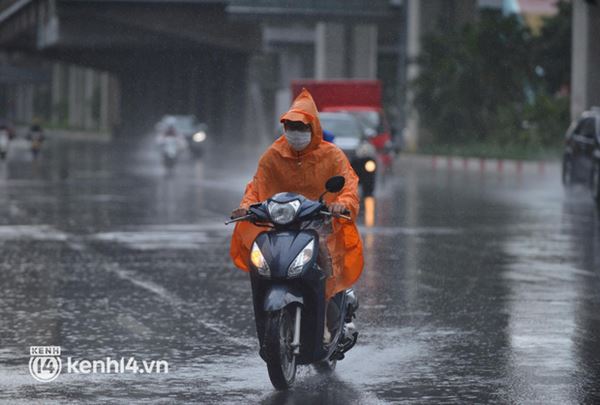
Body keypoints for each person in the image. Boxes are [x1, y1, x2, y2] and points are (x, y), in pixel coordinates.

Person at [229, 89, 364, 342]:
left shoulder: (332, 155)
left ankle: (328, 319)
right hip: (281, 224)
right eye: (290, 125)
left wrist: (341, 204)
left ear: (313, 128)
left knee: (323, 251)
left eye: (301, 126)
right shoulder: (272, 155)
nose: (295, 131)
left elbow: (348, 185)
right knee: (263, 259)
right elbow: (256, 187)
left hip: (319, 222)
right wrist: (246, 207)